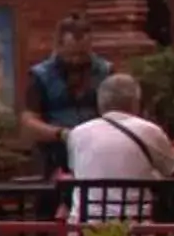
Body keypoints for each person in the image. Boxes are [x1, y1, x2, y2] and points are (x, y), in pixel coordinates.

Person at [63, 72, 174, 220]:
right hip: (138, 229)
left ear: (100, 103)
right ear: (135, 102)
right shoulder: (150, 131)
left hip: (85, 228)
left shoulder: (77, 134)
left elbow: (76, 172)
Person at [22, 15, 112, 178]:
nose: (77, 60)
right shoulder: (40, 75)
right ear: (58, 46)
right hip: (54, 152)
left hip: (96, 151)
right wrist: (61, 133)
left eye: (83, 54)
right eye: (71, 54)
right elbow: (29, 122)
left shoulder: (105, 71)